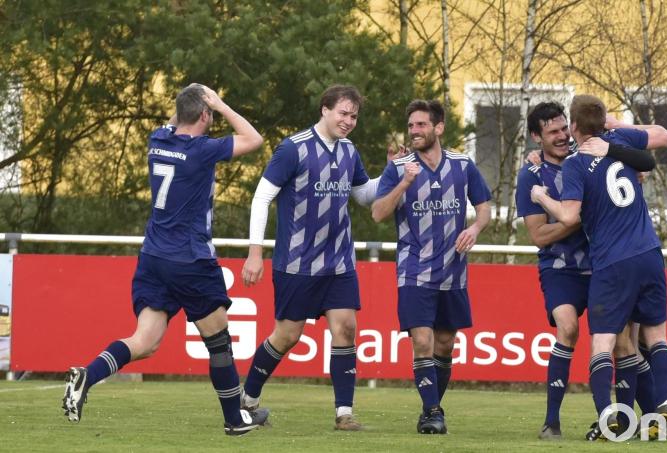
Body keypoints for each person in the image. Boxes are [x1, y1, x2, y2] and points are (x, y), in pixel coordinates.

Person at [62, 84, 268, 436]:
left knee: (145, 341)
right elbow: (254, 138)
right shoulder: (202, 149)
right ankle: (235, 418)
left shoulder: (158, 139)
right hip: (190, 259)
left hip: (153, 257)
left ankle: (88, 374)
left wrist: (190, 96)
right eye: (209, 113)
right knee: (218, 340)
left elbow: (176, 119)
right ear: (204, 115)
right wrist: (219, 102)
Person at [531, 94, 667, 441]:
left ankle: (609, 416)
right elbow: (665, 135)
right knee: (655, 337)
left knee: (603, 343)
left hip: (613, 262)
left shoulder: (576, 164)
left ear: (575, 127)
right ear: (605, 121)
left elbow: (568, 215)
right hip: (650, 253)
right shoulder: (622, 140)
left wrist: (540, 196)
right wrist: (616, 127)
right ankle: (664, 405)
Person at [240, 85, 381, 431]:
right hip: (297, 262)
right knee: (287, 335)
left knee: (346, 329)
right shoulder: (293, 149)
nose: (348, 121)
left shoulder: (349, 152)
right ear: (325, 109)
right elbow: (261, 198)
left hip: (338, 262)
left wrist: (392, 174)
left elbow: (363, 196)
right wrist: (255, 253)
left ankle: (344, 414)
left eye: (353, 116)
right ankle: (247, 400)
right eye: (342, 113)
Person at [372, 99, 492, 434]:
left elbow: (484, 207)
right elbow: (378, 213)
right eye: (411, 126)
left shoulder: (462, 164)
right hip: (414, 270)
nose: (414, 131)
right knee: (422, 341)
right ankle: (433, 411)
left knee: (444, 345)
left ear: (438, 128)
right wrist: (405, 184)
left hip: (453, 271)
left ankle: (430, 410)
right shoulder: (398, 168)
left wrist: (475, 228)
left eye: (421, 125)